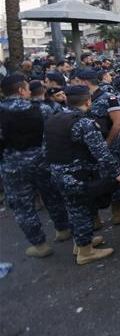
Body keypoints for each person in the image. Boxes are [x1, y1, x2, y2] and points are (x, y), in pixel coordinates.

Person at [45, 85, 120, 265]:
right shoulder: (84, 123)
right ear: (88, 101)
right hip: (77, 175)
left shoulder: (54, 118)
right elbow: (101, 153)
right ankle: (85, 252)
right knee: (82, 210)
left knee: (73, 208)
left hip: (57, 172)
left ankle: (81, 242)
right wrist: (118, 174)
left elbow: (46, 148)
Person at [0, 74, 71, 257]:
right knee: (53, 196)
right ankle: (63, 229)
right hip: (42, 159)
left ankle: (40, 245)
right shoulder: (41, 109)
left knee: (23, 207)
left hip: (12, 165)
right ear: (21, 90)